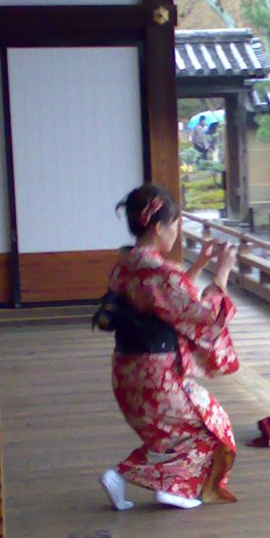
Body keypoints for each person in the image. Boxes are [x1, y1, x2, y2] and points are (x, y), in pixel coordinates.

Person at [98, 183, 239, 510]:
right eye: (175, 224)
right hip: (157, 375)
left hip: (126, 369)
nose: (177, 231)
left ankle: (121, 477)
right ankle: (173, 489)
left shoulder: (125, 265)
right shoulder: (162, 272)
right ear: (159, 226)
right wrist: (222, 272)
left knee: (169, 435)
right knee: (209, 425)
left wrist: (200, 263)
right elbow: (202, 316)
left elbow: (167, 301)